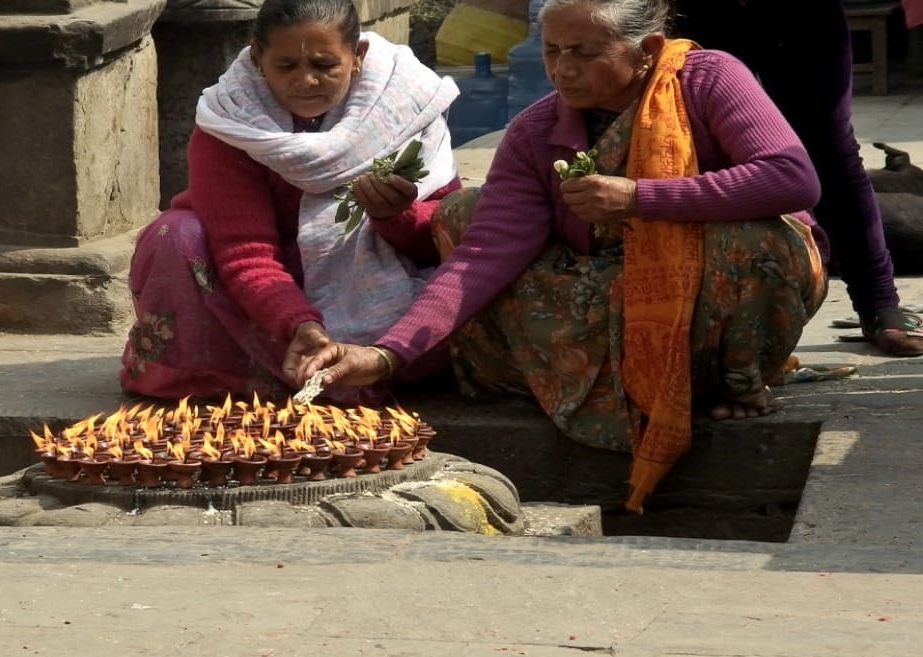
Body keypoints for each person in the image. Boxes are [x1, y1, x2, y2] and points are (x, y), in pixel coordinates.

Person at [295, 0, 828, 511]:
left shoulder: (708, 79)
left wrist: (641, 197)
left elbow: (791, 178)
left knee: (755, 242)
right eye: (552, 51)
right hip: (615, 290)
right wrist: (388, 353)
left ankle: (730, 379)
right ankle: (624, 383)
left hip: (706, 294)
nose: (562, 70)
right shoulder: (537, 130)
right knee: (461, 215)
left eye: (584, 52)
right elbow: (484, 253)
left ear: (647, 49)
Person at [118, 0, 461, 405]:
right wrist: (297, 323)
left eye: (324, 65)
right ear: (258, 58)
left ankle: (373, 360)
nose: (306, 81)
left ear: (358, 57)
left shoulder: (406, 106)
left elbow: (443, 236)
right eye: (286, 66)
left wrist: (393, 216)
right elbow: (244, 250)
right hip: (262, 288)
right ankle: (230, 373)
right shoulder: (229, 122)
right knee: (173, 234)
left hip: (373, 271)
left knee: (471, 215)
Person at [672, 0, 923, 357]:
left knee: (832, 151)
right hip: (699, 9)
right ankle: (696, 320)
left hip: (800, 11)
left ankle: (878, 302)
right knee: (690, 144)